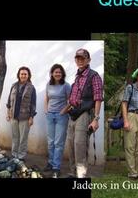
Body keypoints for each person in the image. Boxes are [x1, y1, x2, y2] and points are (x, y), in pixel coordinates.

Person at [66, 48, 103, 178]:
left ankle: (81, 175)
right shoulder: (77, 76)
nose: (80, 60)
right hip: (73, 114)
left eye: (83, 58)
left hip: (84, 114)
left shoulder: (94, 76)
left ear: (88, 60)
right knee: (70, 145)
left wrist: (96, 119)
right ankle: (72, 173)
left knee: (79, 146)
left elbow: (98, 98)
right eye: (78, 58)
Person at [44, 64, 71, 178]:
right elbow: (46, 98)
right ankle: (50, 163)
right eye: (55, 72)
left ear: (62, 74)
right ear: (52, 73)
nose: (57, 74)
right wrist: (46, 110)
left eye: (59, 72)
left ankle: (56, 167)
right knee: (50, 142)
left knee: (58, 143)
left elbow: (71, 101)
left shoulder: (66, 85)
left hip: (61, 116)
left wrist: (63, 111)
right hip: (50, 115)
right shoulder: (48, 85)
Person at [6, 66, 37, 161]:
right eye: (21, 74)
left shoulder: (31, 88)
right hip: (13, 116)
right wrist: (8, 113)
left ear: (28, 76)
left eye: (25, 74)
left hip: (25, 117)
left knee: (23, 138)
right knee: (15, 137)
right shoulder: (14, 86)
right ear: (19, 75)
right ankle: (14, 155)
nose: (23, 75)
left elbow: (33, 104)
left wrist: (31, 117)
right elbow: (9, 101)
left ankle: (21, 157)